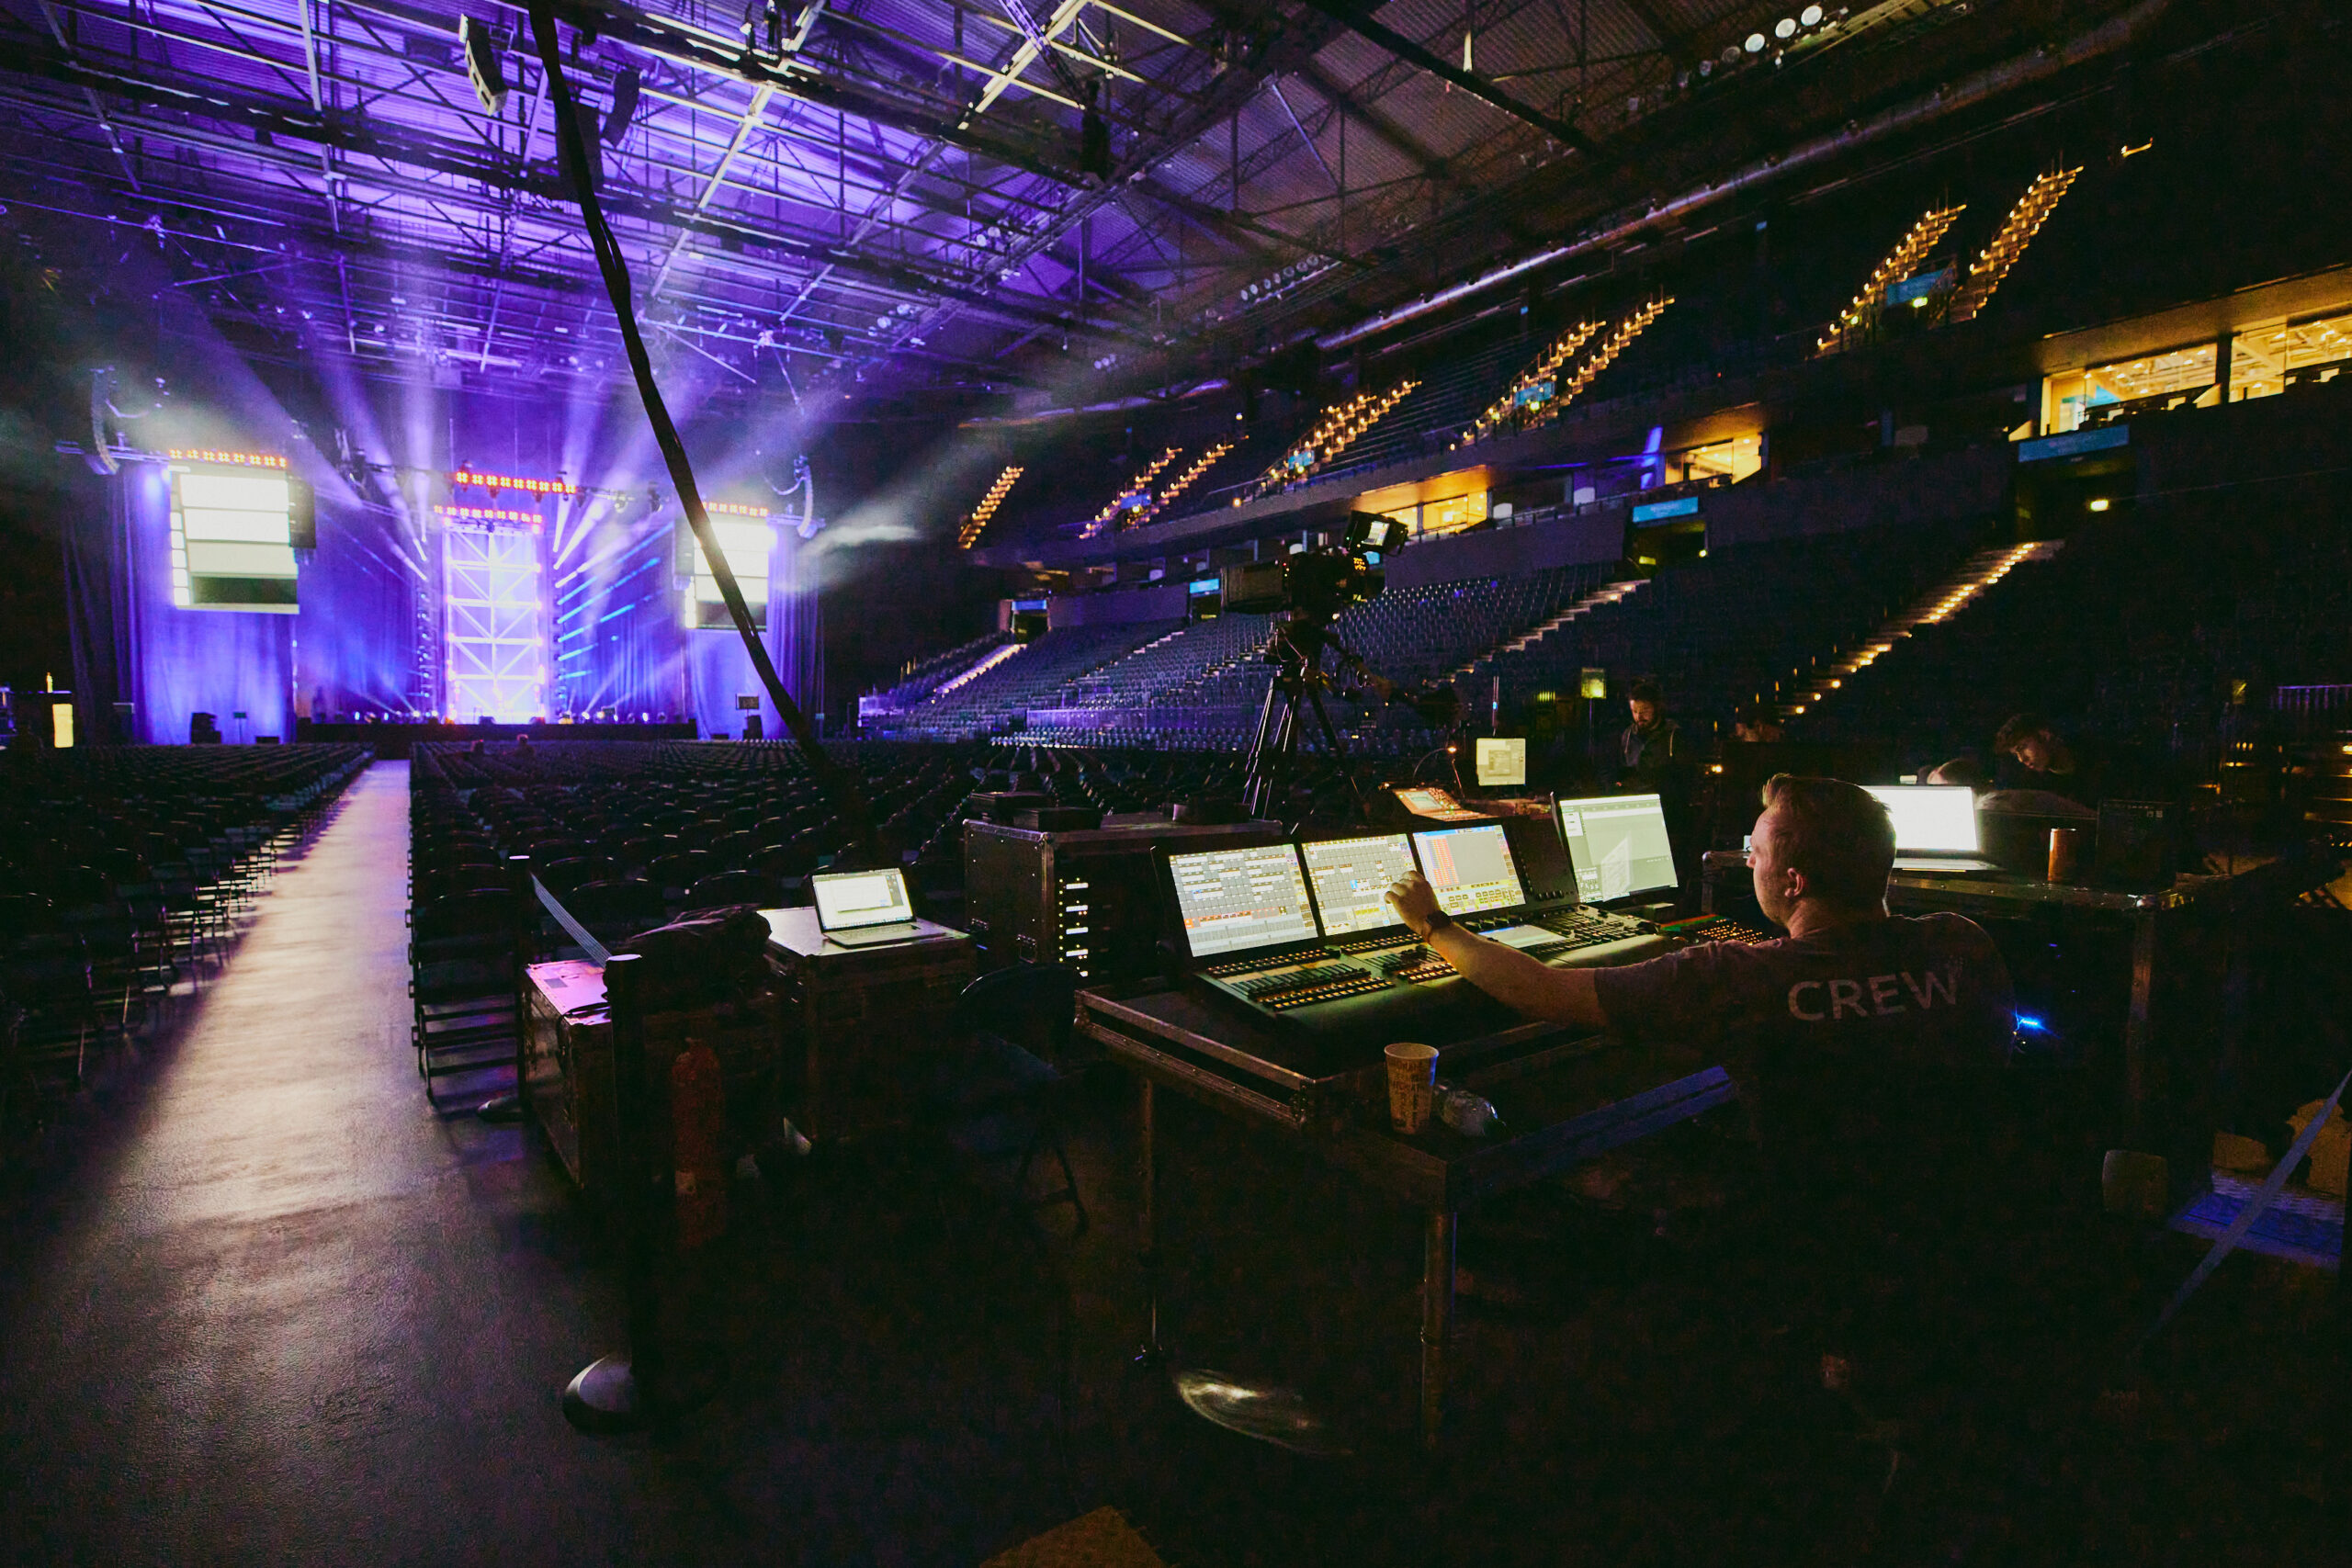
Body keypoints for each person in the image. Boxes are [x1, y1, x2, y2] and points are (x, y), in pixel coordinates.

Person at [1386, 775, 2023, 1436]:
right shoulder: (1963, 943)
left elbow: (1543, 991)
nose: (1749, 861)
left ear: (1795, 881)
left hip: (1820, 1252)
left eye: (1758, 850)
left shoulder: (1741, 977)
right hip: (1969, 1235)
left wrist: (1436, 924)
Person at [1620, 678, 1683, 789]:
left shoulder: (1674, 736)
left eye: (1645, 710)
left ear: (1657, 708)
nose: (1639, 717)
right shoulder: (1628, 735)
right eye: (1635, 711)